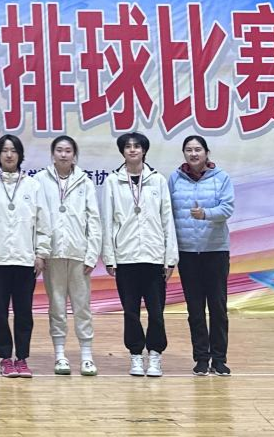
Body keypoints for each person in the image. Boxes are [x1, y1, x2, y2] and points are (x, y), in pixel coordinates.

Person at [102, 132, 178, 379]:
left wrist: (170, 258)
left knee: (156, 312)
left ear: (144, 151)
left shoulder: (157, 180)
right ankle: (135, 355)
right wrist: (109, 257)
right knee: (130, 311)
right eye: (128, 146)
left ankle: (155, 355)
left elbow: (167, 220)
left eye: (137, 146)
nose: (132, 150)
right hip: (126, 257)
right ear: (122, 151)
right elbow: (107, 221)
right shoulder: (113, 181)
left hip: (154, 257)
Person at [0, 134, 49, 378]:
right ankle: (6, 358)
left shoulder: (33, 185)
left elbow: (42, 222)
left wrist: (41, 253)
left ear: (20, 155)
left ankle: (23, 358)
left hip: (25, 259)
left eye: (13, 150)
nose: (9, 155)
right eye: (5, 150)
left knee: (24, 312)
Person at [34, 135, 101, 377]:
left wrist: (91, 255)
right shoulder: (39, 181)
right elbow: (36, 218)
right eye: (59, 150)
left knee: (82, 307)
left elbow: (94, 220)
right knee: (57, 307)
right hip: (52, 255)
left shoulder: (85, 182)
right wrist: (40, 251)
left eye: (68, 151)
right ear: (53, 154)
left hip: (79, 255)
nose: (63, 155)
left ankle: (86, 356)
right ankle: (60, 355)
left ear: (74, 155)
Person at [168, 135, 234, 377]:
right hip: (187, 252)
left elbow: (227, 208)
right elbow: (167, 212)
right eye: (189, 150)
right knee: (195, 309)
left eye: (198, 149)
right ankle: (201, 358)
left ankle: (219, 359)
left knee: (218, 307)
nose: (193, 154)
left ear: (206, 152)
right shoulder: (175, 179)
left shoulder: (221, 178)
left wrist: (205, 214)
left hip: (215, 251)